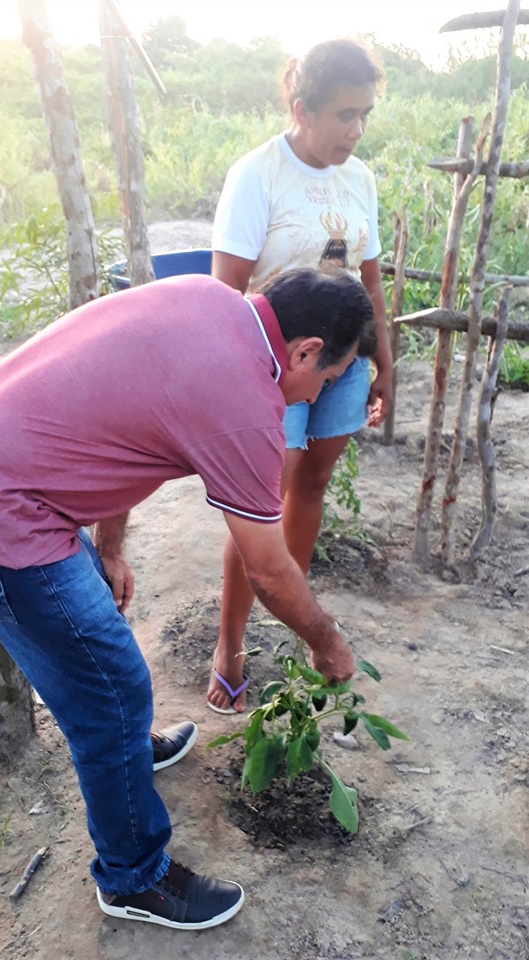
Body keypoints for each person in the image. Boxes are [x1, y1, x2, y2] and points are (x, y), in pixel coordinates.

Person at [0, 268, 374, 930]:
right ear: (304, 350)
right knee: (110, 693)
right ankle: (131, 877)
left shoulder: (209, 301)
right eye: (326, 380)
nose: (317, 391)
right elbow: (268, 571)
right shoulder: (245, 400)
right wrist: (327, 641)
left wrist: (108, 546)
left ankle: (125, 754)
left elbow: (127, 430)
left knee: (101, 661)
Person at [207, 39, 393, 715]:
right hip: (271, 367)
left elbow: (370, 282)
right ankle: (228, 645)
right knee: (258, 505)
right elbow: (225, 293)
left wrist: (381, 365)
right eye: (343, 114)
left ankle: (292, 618)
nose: (355, 129)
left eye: (364, 114)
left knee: (308, 485)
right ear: (299, 108)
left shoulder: (359, 179)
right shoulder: (256, 176)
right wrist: (239, 386)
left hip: (341, 364)